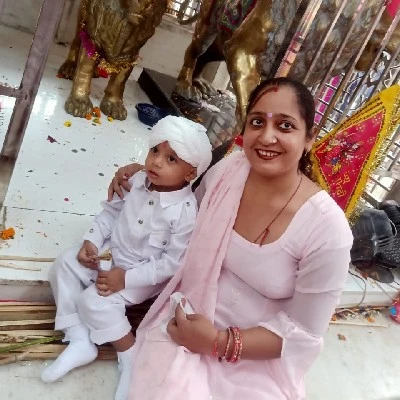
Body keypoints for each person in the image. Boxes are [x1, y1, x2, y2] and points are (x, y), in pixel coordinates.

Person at [109, 77, 354, 399]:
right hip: (188, 318)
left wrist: (218, 342)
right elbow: (181, 213)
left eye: (285, 125)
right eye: (257, 122)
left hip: (258, 355)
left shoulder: (328, 230)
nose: (267, 137)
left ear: (309, 138)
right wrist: (145, 178)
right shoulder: (227, 172)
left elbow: (303, 334)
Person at [41, 116, 212, 400]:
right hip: (112, 254)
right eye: (155, 151)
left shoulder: (184, 213)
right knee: (64, 265)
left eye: (171, 159)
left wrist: (126, 279)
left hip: (142, 275)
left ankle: (130, 355)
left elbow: (171, 264)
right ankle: (79, 338)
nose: (156, 162)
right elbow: (110, 213)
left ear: (190, 173)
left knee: (93, 302)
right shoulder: (136, 180)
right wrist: (92, 241)